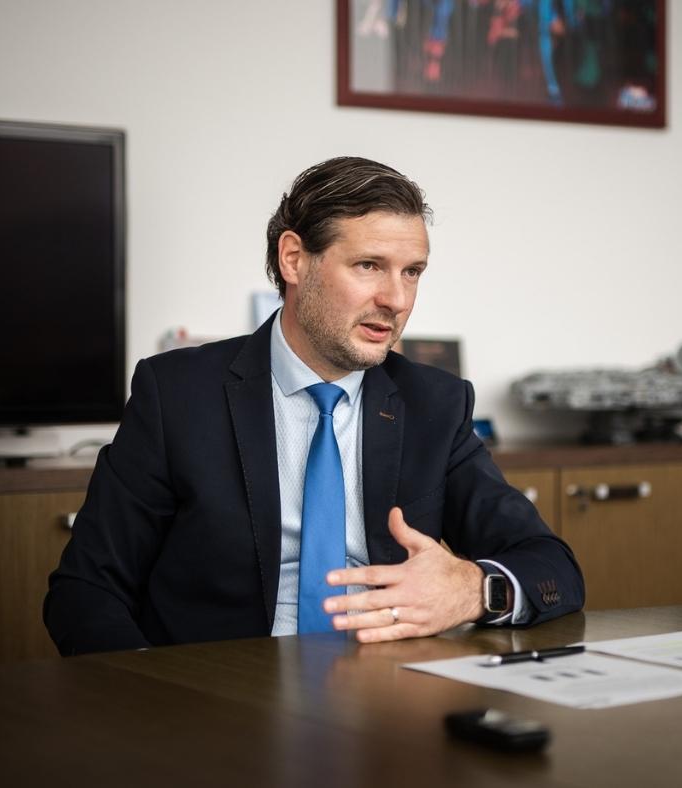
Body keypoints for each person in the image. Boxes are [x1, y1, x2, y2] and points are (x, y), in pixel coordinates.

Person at [44, 156, 583, 655]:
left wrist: (472, 589)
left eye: (412, 272)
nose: (396, 300)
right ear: (294, 259)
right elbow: (86, 589)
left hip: (387, 695)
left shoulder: (435, 405)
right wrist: (152, 700)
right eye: (369, 265)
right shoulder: (177, 393)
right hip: (222, 692)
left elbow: (552, 566)